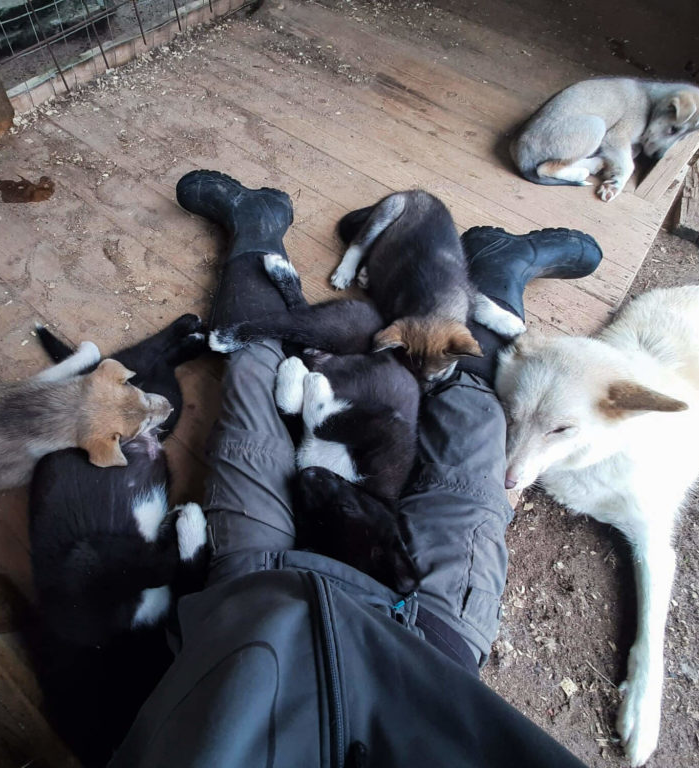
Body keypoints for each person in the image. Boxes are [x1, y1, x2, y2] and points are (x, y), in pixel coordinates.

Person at [108, 171, 603, 767]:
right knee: (477, 435)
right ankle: (491, 276)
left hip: (256, 612)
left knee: (252, 383)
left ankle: (258, 231)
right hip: (426, 642)